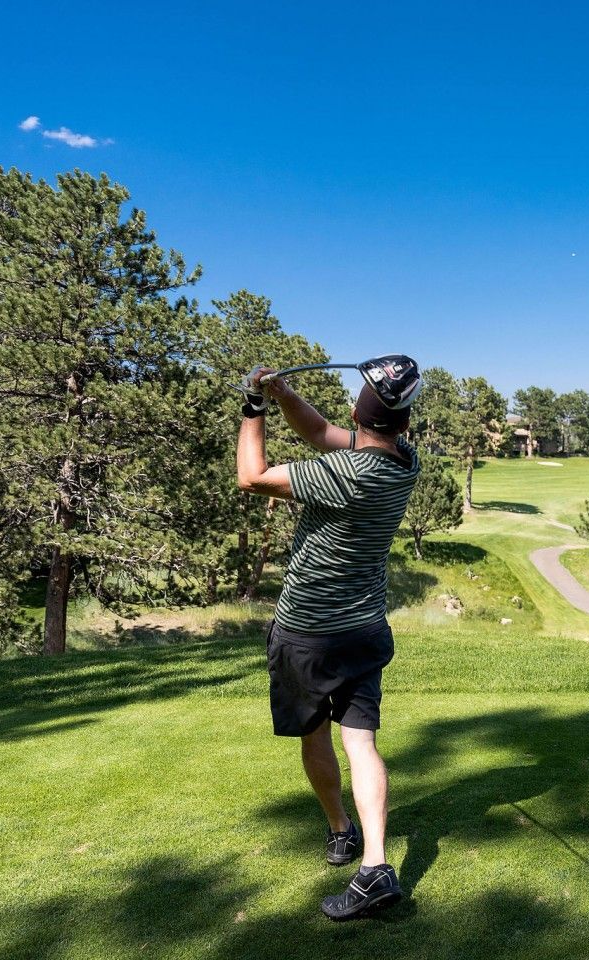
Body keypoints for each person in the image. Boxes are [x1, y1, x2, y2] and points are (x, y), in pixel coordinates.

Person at [234, 355, 422, 922]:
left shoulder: (343, 475)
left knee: (313, 732)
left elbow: (251, 476)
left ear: (356, 413)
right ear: (403, 424)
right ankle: (374, 865)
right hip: (365, 628)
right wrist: (284, 393)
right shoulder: (404, 462)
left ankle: (340, 829)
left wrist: (253, 404)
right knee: (360, 742)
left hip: (308, 632)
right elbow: (319, 433)